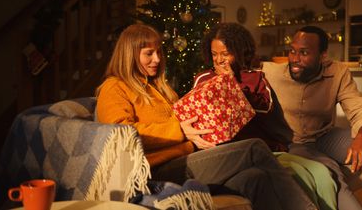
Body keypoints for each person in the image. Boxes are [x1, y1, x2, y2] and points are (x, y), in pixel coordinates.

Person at [95, 24, 317, 210]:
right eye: (148, 53)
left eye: (159, 52)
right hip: (157, 168)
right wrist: (179, 129)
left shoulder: (158, 88)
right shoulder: (114, 87)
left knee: (255, 177)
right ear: (130, 54)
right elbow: (119, 136)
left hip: (188, 156)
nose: (157, 59)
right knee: (253, 148)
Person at [194, 22, 337, 210]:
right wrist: (223, 82)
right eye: (214, 54)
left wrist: (233, 84)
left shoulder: (255, 78)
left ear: (239, 51)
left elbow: (264, 110)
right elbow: (202, 113)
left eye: (225, 53)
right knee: (293, 176)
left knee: (321, 173)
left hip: (265, 149)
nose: (219, 60)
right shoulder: (203, 79)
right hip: (226, 153)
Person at [262, 25, 362, 210]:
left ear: (323, 55)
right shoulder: (270, 73)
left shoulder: (338, 73)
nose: (295, 59)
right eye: (292, 51)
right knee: (328, 170)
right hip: (291, 143)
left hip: (324, 137)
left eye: (304, 53)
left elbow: (359, 108)